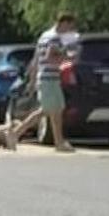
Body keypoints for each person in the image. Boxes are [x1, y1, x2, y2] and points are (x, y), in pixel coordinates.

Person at [16, 20, 76, 153]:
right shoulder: (54, 38)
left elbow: (36, 59)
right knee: (49, 110)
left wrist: (32, 81)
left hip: (48, 78)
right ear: (63, 23)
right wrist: (67, 58)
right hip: (49, 79)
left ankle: (59, 142)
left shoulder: (44, 36)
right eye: (69, 27)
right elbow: (50, 57)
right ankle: (15, 133)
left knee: (55, 109)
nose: (69, 31)